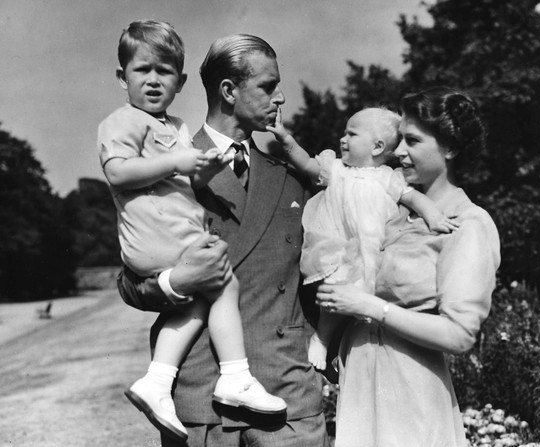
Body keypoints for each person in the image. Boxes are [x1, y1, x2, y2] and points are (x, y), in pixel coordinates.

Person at [116, 33, 329, 447]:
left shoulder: (291, 177)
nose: (281, 97)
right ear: (229, 91)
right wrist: (175, 282)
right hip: (202, 404)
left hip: (287, 399)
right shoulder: (159, 166)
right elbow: (129, 280)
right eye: (269, 86)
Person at [315, 87, 501, 447]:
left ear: (450, 148)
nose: (398, 152)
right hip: (359, 391)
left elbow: (459, 334)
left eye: (412, 141)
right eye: (399, 139)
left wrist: (372, 307)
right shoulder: (392, 214)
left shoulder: (468, 223)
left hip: (412, 400)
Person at [267, 107, 458, 371]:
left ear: (377, 146)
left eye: (351, 134)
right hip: (338, 247)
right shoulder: (336, 169)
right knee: (336, 295)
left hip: (373, 252)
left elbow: (414, 198)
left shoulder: (388, 178)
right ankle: (322, 338)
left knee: (362, 305)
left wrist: (433, 215)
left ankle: (343, 351)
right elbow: (308, 164)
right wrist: (286, 140)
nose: (342, 139)